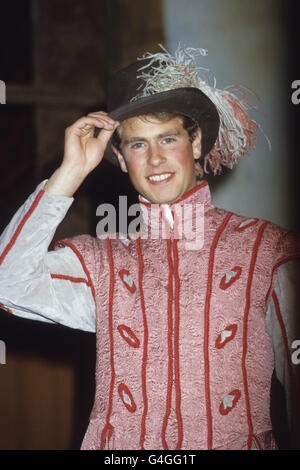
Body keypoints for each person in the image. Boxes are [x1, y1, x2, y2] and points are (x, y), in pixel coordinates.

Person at [0, 45, 299, 450]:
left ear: (195, 145)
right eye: (138, 145)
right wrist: (70, 172)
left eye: (167, 138)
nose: (155, 159)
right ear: (122, 160)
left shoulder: (266, 249)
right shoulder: (100, 261)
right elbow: (8, 281)